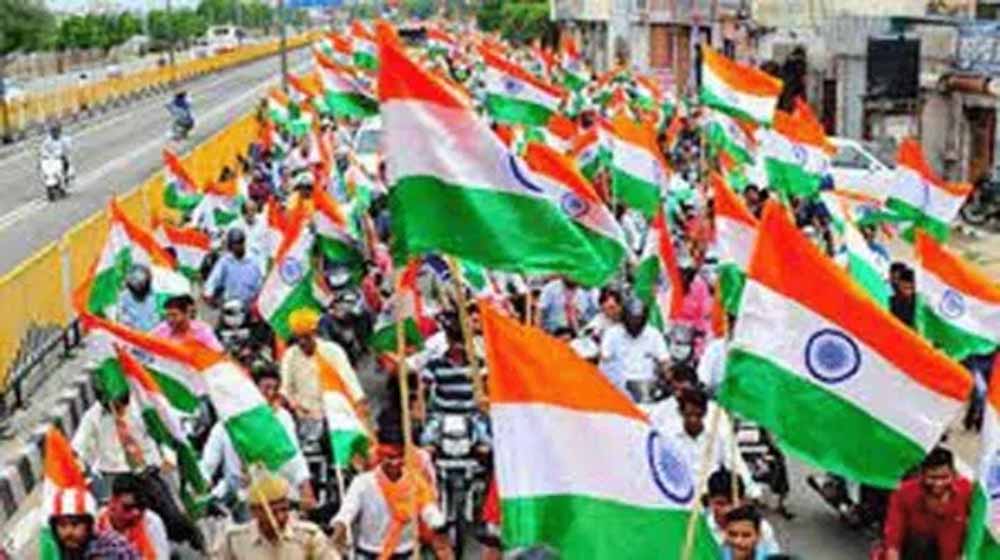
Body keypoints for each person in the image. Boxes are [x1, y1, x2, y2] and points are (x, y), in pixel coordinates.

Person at [201, 363, 315, 516]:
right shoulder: (227, 423)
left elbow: (293, 456)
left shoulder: (282, 418)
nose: (270, 393)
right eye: (266, 388)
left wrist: (305, 488)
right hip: (239, 496)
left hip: (276, 493)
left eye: (274, 389)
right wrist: (201, 485)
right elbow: (208, 463)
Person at [331, 425, 454, 560]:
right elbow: (346, 512)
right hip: (369, 554)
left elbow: (429, 510)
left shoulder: (416, 482)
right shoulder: (362, 483)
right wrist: (338, 533)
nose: (395, 463)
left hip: (407, 553)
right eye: (389, 457)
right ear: (380, 455)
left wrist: (439, 526)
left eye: (399, 457)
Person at [212, 472, 337, 559]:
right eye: (272, 512)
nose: (280, 517)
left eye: (284, 509)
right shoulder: (234, 540)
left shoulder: (309, 536)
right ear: (254, 512)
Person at [72, 387, 166, 502]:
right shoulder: (92, 417)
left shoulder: (140, 407)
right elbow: (78, 447)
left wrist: (159, 459)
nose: (119, 411)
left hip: (145, 471)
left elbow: (158, 435)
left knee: (166, 506)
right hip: (113, 476)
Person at [667, 388, 760, 501]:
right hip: (678, 497)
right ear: (680, 413)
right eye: (689, 415)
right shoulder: (668, 437)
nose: (693, 420)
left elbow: (734, 463)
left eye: (698, 415)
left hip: (709, 497)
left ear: (705, 412)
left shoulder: (719, 434)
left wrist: (752, 491)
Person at [883, 447, 973, 560]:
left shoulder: (966, 491)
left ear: (954, 474)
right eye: (933, 478)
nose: (939, 483)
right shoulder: (905, 492)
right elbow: (893, 540)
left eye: (944, 477)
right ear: (922, 475)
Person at [280, 308, 366, 422]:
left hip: (336, 412)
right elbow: (286, 387)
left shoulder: (332, 350)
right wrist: (293, 405)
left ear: (314, 333)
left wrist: (359, 401)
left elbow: (348, 377)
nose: (302, 342)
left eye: (306, 337)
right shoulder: (290, 356)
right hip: (306, 416)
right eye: (298, 338)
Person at [46, 486, 141, 559]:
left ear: (89, 525)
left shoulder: (106, 547)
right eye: (62, 525)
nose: (68, 532)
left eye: (75, 524)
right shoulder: (71, 550)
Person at [598, 298, 670, 391]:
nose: (635, 322)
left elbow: (664, 360)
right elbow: (604, 358)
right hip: (619, 386)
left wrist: (668, 376)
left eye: (638, 319)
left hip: (646, 386)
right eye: (631, 319)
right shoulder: (612, 334)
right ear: (625, 318)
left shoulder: (654, 334)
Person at [703, 470, 780, 555]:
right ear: (709, 501)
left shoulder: (761, 528)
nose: (727, 510)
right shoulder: (699, 527)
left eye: (732, 503)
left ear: (743, 501)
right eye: (720, 503)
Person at [96, 474, 171, 559]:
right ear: (113, 501)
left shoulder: (151, 522)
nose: (136, 513)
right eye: (128, 507)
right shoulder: (98, 522)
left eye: (141, 506)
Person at [204, 228, 264, 308]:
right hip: (229, 302)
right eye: (234, 244)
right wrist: (208, 294)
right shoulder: (225, 261)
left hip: (250, 303)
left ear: (244, 243)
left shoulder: (254, 260)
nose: (237, 247)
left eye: (239, 243)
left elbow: (261, 281)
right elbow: (214, 278)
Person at [150, 294, 222, 351]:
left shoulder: (202, 330)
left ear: (186, 314)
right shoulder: (162, 329)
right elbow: (147, 342)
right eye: (167, 315)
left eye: (174, 315)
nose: (170, 319)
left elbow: (218, 353)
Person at [113, 264, 160, 332]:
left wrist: (152, 327)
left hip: (147, 333)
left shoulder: (151, 297)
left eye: (142, 282)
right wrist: (129, 325)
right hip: (129, 332)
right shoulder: (124, 296)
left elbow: (155, 315)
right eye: (134, 279)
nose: (137, 284)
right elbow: (121, 315)